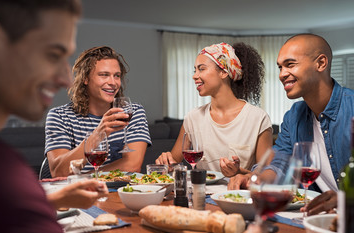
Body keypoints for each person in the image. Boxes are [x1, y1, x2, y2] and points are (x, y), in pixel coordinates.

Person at [0, 0, 109, 233]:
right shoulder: (4, 172)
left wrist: (54, 198)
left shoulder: (7, 163)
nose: (66, 79)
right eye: (52, 55)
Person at [230, 34, 354, 202]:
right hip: (318, 214)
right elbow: (280, 163)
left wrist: (344, 200)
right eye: (280, 67)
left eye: (290, 65)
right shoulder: (294, 115)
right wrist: (257, 178)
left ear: (321, 63)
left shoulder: (351, 107)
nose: (282, 74)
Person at [156, 42, 273, 182]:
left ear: (224, 72)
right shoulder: (193, 117)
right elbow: (173, 162)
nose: (195, 76)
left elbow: (265, 176)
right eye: (195, 70)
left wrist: (238, 171)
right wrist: (166, 161)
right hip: (200, 196)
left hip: (237, 198)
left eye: (201, 69)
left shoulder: (258, 118)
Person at [45, 46, 152, 177]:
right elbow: (58, 172)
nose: (113, 82)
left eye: (117, 76)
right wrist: (98, 135)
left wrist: (84, 178)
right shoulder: (60, 116)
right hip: (80, 196)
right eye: (104, 75)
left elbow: (132, 166)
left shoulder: (133, 112)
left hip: (121, 194)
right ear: (85, 78)